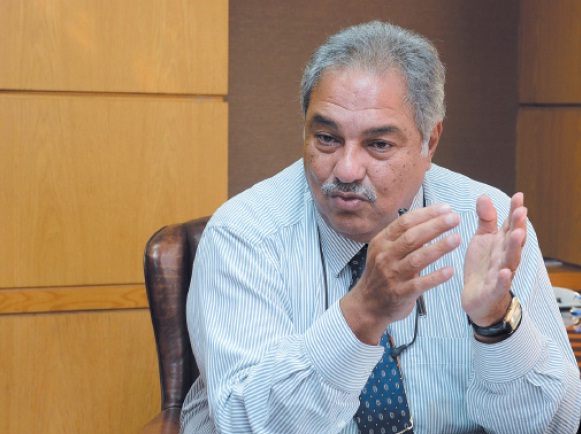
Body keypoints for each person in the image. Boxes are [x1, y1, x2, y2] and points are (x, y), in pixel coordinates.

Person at [181, 21, 581, 433]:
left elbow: (557, 425)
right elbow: (244, 425)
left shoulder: (488, 225)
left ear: (430, 142)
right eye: (327, 138)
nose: (346, 170)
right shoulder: (245, 234)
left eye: (379, 145)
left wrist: (496, 321)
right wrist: (364, 311)